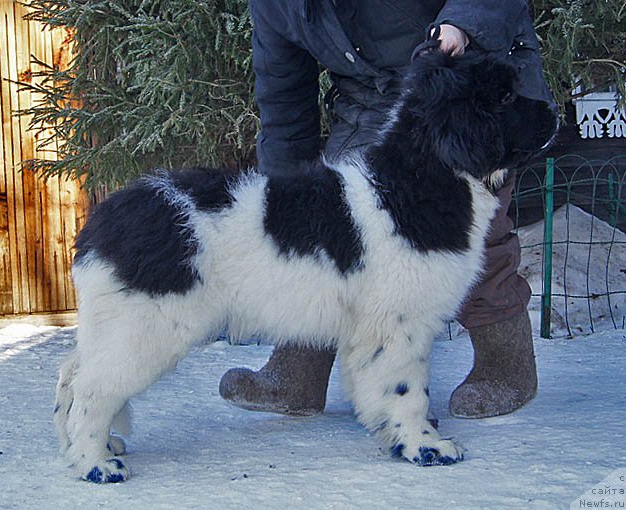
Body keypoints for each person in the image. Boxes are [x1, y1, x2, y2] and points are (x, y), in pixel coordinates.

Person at [219, 0, 556, 419]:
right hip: (371, 104)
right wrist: (284, 202)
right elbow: (284, 101)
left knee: (457, 231)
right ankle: (298, 373)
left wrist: (461, 25)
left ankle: (505, 364)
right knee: (325, 232)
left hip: (472, 93)